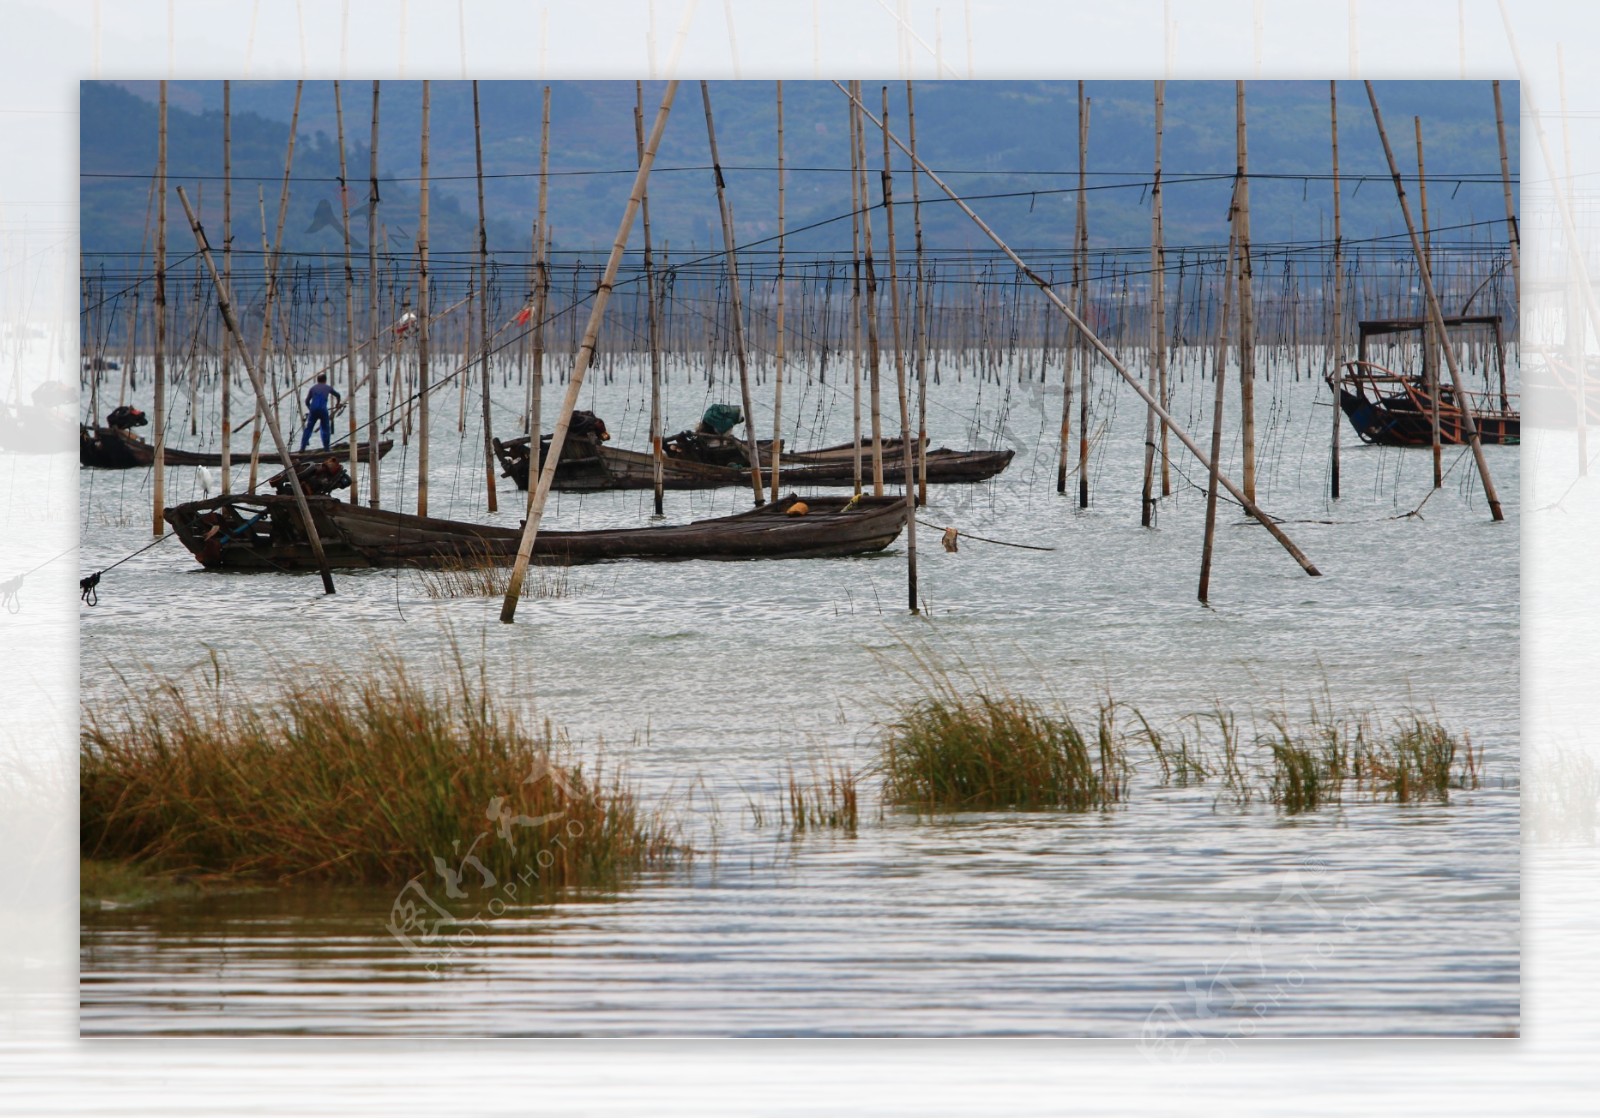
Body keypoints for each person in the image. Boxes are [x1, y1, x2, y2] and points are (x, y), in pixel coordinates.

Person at [300, 374, 342, 452]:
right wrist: (337, 404)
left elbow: (306, 401)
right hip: (323, 410)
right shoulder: (328, 388)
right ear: (325, 380)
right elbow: (338, 395)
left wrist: (311, 409)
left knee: (308, 429)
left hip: (313, 410)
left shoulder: (312, 388)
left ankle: (302, 448)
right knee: (326, 428)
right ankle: (326, 449)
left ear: (317, 380)